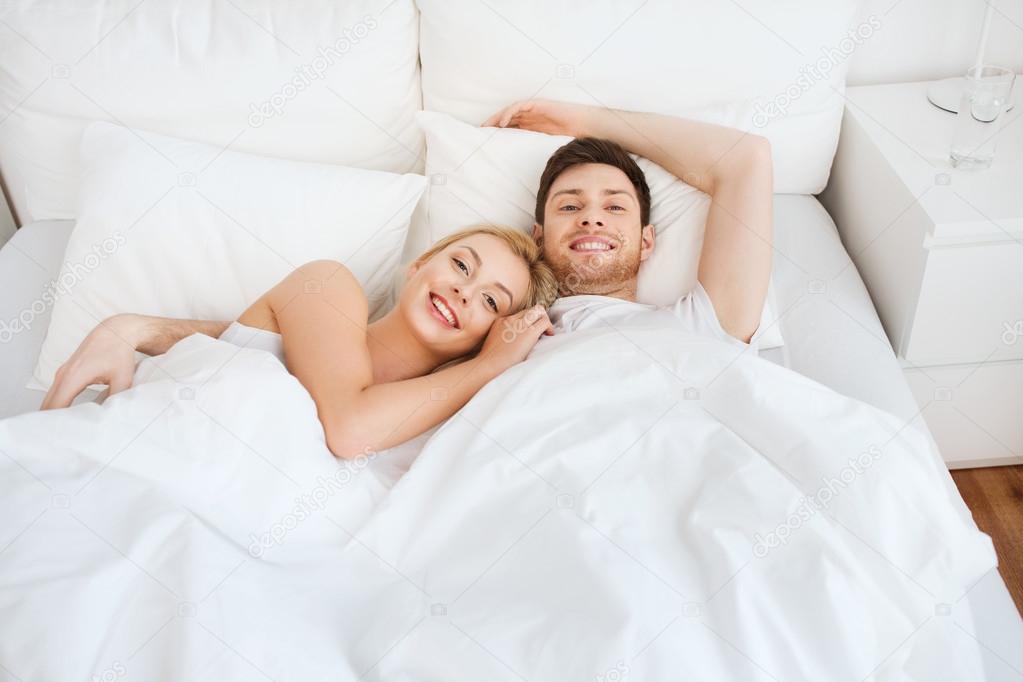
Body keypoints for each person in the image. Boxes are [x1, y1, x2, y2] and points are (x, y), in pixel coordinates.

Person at [43, 99, 773, 453]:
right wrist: (135, 327)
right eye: (568, 205)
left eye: (614, 206)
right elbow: (313, 359)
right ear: (539, 237)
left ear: (647, 242)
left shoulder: (694, 327)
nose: (591, 217)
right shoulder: (509, 337)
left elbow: (744, 160)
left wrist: (587, 117)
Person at [41, 225, 559, 459]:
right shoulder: (329, 286)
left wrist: (136, 327)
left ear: (490, 335)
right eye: (461, 265)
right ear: (419, 265)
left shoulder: (444, 421)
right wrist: (487, 366)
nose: (464, 291)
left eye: (490, 301)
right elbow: (349, 429)